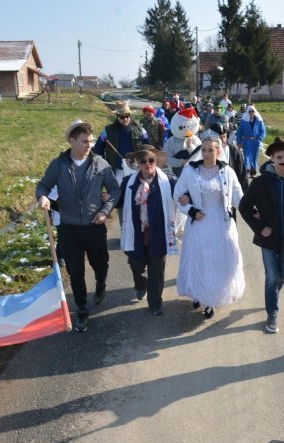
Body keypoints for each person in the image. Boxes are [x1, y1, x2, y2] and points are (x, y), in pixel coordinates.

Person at [37, 120, 121, 333]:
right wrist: (43, 198)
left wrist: (105, 211)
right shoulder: (59, 165)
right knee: (76, 272)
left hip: (94, 226)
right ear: (72, 141)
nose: (89, 145)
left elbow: (115, 189)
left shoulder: (100, 163)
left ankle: (101, 284)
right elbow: (43, 185)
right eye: (84, 141)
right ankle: (82, 311)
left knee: (101, 265)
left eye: (91, 141)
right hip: (69, 228)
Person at [239, 136, 284, 334]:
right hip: (268, 239)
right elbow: (244, 207)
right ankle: (272, 313)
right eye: (279, 157)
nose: (283, 160)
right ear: (271, 158)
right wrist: (260, 226)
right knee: (271, 276)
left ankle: (272, 295)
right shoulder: (260, 183)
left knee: (283, 275)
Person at [174, 133, 245, 318]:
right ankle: (198, 294)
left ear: (218, 151)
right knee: (200, 260)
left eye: (210, 150)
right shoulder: (190, 171)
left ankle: (211, 300)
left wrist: (254, 211)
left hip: (221, 224)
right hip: (199, 222)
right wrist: (190, 210)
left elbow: (238, 197)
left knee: (217, 262)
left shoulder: (227, 172)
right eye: (204, 150)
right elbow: (177, 194)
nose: (206, 153)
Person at [120, 145, 179, 316]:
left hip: (158, 233)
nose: (148, 164)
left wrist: (187, 199)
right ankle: (140, 284)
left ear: (156, 162)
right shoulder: (128, 183)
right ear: (137, 163)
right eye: (143, 160)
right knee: (136, 265)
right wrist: (106, 201)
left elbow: (184, 195)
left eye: (151, 160)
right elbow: (117, 200)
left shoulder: (168, 181)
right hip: (136, 233)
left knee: (157, 269)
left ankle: (155, 303)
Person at [93, 100, 148, 188]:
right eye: (122, 117)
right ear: (117, 117)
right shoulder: (107, 131)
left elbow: (147, 148)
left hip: (136, 169)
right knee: (117, 195)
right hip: (116, 171)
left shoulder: (140, 130)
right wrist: (102, 165)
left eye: (127, 116)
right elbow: (98, 149)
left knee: (135, 195)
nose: (125, 119)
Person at [208, 122, 247, 193]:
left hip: (231, 189)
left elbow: (242, 173)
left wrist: (244, 193)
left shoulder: (234, 151)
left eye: (224, 137)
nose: (222, 140)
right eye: (220, 137)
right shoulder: (205, 151)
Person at [236, 105, 266, 177]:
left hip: (255, 141)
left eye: (252, 111)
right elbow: (239, 132)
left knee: (254, 156)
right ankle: (247, 169)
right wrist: (239, 142)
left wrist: (259, 138)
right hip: (246, 141)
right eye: (250, 111)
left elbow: (263, 131)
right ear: (248, 112)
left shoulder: (259, 120)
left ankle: (253, 170)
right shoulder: (244, 121)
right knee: (247, 156)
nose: (251, 113)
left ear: (255, 112)